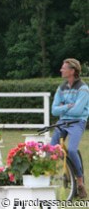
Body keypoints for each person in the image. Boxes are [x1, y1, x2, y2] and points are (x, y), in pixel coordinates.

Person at [51, 58, 89, 199]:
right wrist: (67, 106)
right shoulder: (61, 88)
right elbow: (53, 110)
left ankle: (80, 183)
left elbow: (79, 111)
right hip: (62, 122)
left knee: (72, 150)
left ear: (72, 71)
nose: (61, 69)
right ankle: (50, 178)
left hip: (77, 122)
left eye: (64, 68)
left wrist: (62, 108)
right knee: (50, 149)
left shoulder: (83, 88)